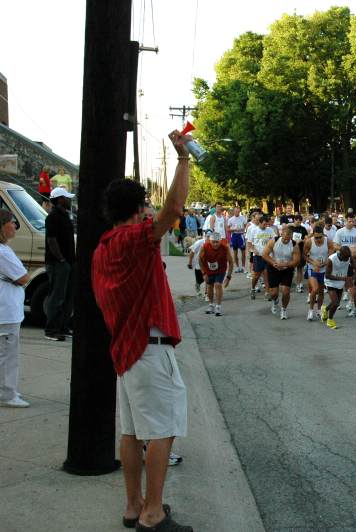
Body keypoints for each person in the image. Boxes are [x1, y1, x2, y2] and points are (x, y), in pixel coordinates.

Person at [92, 130, 193, 532]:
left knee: (132, 433)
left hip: (126, 352)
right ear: (136, 209)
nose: (150, 210)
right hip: (149, 350)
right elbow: (173, 209)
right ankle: (153, 513)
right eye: (145, 205)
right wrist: (183, 160)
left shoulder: (103, 247)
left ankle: (135, 506)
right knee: (163, 430)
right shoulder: (135, 240)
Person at [0, 209, 30, 408]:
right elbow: (23, 277)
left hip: (6, 308)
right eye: (12, 222)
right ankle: (7, 394)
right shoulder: (3, 252)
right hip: (6, 311)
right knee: (7, 355)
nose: (15, 226)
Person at [44, 187, 76, 341]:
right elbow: (51, 240)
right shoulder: (53, 217)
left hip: (68, 262)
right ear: (60, 199)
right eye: (67, 198)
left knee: (67, 297)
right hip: (58, 264)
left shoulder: (65, 216)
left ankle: (63, 327)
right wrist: (61, 260)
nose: (70, 200)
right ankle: (51, 330)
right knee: (56, 297)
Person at [264, 226, 301, 319]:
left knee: (285, 291)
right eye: (284, 239)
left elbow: (296, 261)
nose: (286, 241)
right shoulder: (274, 241)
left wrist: (285, 264)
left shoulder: (294, 245)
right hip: (273, 267)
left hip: (287, 269)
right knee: (273, 293)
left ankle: (284, 310)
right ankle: (275, 301)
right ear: (281, 235)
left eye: (288, 239)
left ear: (291, 237)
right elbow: (264, 254)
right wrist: (274, 263)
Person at [198, 232, 233, 316]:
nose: (215, 244)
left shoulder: (225, 248)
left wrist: (228, 277)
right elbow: (200, 260)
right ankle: (211, 305)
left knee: (217, 284)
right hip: (208, 270)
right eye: (213, 242)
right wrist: (203, 273)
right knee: (209, 286)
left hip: (221, 269)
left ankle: (218, 307)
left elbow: (231, 262)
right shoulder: (205, 247)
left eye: (217, 242)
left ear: (220, 241)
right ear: (210, 241)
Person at [322, 246, 355, 330]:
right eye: (345, 258)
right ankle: (330, 320)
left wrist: (351, 278)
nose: (347, 259)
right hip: (330, 282)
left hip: (341, 282)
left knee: (335, 303)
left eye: (348, 257)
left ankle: (325, 309)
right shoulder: (331, 259)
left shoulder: (348, 257)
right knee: (336, 303)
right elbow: (327, 275)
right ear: (340, 254)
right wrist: (343, 278)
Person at [304, 226, 333, 320]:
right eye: (316, 237)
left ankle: (319, 310)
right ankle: (311, 310)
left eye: (320, 237)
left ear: (323, 235)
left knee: (321, 291)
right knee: (315, 289)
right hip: (312, 269)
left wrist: (324, 263)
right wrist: (313, 263)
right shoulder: (309, 242)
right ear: (313, 235)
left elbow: (331, 256)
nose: (318, 239)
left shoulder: (328, 241)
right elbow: (304, 255)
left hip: (323, 269)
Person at [249, 215, 276, 300]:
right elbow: (249, 243)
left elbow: (274, 240)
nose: (266, 226)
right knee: (256, 275)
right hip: (258, 256)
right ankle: (253, 288)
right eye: (264, 224)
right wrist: (253, 250)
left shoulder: (270, 230)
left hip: (267, 256)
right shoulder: (253, 230)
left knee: (266, 273)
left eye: (266, 224)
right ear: (259, 223)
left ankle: (267, 292)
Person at [187, 232, 209, 297]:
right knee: (200, 280)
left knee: (208, 278)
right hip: (198, 264)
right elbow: (191, 253)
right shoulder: (199, 243)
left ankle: (206, 293)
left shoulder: (212, 242)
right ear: (205, 236)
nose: (209, 238)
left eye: (210, 236)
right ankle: (198, 284)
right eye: (208, 236)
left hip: (207, 264)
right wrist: (190, 263)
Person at [226, 206, 247, 273]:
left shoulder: (243, 218)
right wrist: (234, 229)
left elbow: (246, 226)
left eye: (238, 211)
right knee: (235, 253)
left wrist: (244, 229)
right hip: (234, 236)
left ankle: (243, 267)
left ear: (239, 211)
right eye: (236, 211)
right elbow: (228, 229)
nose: (237, 212)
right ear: (233, 212)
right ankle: (237, 267)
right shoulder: (230, 219)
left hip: (241, 235)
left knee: (243, 253)